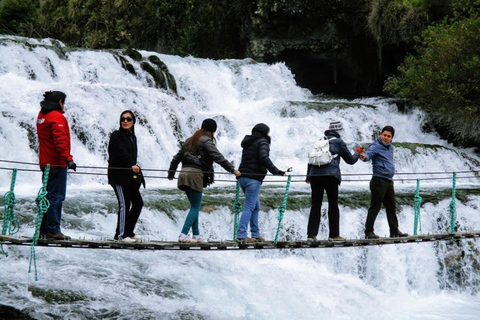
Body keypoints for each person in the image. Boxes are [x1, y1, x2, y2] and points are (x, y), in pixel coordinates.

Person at [168, 119, 240, 243]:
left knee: (194, 207)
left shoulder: (190, 140)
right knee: (196, 207)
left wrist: (171, 174)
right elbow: (218, 157)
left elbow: (176, 158)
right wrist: (233, 170)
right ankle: (183, 233)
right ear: (212, 131)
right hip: (195, 175)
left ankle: (196, 235)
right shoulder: (206, 141)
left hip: (183, 174)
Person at [305, 120, 361, 241]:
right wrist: (358, 152)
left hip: (315, 176)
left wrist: (308, 176)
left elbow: (311, 158)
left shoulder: (319, 141)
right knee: (333, 205)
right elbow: (350, 160)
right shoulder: (339, 142)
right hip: (331, 176)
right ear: (339, 131)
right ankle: (334, 235)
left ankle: (311, 235)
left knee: (315, 205)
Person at [36, 90, 76, 240]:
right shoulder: (56, 117)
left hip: (45, 162)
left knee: (46, 196)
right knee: (56, 197)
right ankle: (53, 230)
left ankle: (43, 229)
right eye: (63, 102)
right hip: (56, 164)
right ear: (60, 102)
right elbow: (60, 141)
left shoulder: (42, 115)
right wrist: (68, 159)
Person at [236, 123, 285, 243]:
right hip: (253, 178)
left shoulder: (248, 142)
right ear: (265, 133)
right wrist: (276, 171)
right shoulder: (263, 141)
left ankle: (255, 234)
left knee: (255, 206)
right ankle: (241, 234)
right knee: (249, 206)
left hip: (243, 177)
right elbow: (264, 157)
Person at [359, 125, 408, 239]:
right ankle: (368, 231)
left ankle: (394, 231)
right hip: (378, 180)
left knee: (391, 207)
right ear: (380, 135)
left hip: (388, 180)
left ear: (392, 138)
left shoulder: (391, 147)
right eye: (384, 135)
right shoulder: (375, 146)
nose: (385, 138)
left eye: (388, 136)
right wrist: (363, 157)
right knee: (375, 206)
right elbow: (368, 154)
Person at [108, 110, 145, 243]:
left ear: (133, 122)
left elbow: (131, 155)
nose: (125, 121)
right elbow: (121, 152)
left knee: (138, 203)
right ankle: (121, 235)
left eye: (129, 119)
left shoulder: (132, 137)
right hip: (118, 176)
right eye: (123, 119)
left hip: (129, 177)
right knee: (124, 204)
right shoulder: (116, 135)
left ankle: (129, 231)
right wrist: (131, 164)